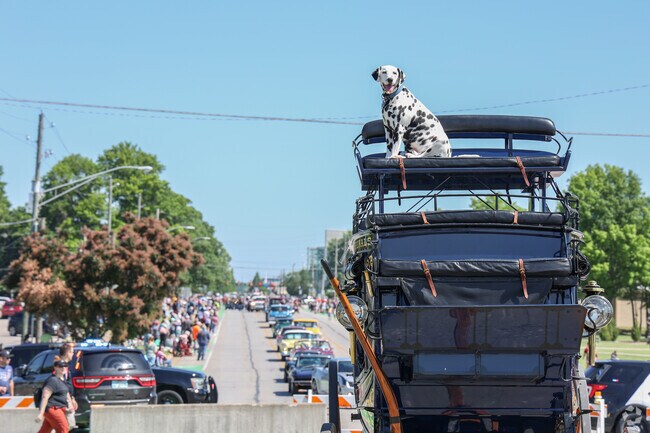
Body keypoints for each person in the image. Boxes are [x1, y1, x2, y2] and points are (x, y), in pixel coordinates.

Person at [36, 357, 74, 433]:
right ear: (55, 368)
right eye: (60, 366)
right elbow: (44, 397)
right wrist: (41, 413)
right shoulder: (52, 380)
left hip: (59, 408)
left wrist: (70, 403)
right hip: (53, 409)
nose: (63, 368)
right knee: (64, 428)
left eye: (65, 366)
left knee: (45, 430)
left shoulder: (63, 380)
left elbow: (66, 393)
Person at [59, 344, 77, 428]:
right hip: (61, 401)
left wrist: (72, 398)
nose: (73, 354)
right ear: (67, 353)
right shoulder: (60, 367)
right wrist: (69, 401)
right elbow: (62, 385)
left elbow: (68, 385)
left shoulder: (65, 366)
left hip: (65, 399)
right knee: (67, 426)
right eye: (72, 352)